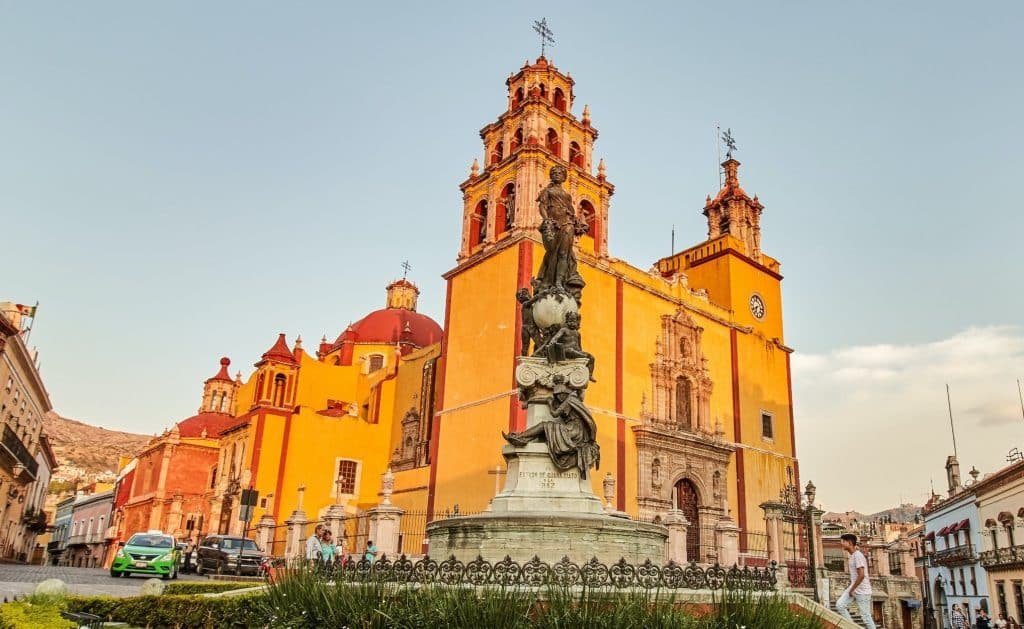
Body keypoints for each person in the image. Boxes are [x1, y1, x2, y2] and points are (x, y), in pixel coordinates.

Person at [835, 533, 875, 629]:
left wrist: (852, 589)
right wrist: (852, 588)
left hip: (863, 591)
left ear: (849, 543)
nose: (841, 544)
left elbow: (861, 575)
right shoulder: (852, 556)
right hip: (854, 588)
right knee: (840, 605)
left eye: (843, 541)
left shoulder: (858, 556)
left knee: (866, 617)